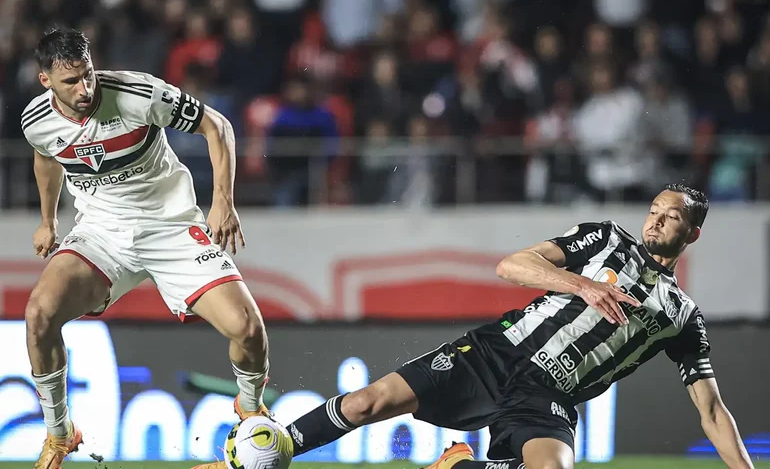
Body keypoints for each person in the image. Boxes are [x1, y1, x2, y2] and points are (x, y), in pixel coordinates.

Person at [195, 184, 754, 469]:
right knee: (368, 403)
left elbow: (710, 409)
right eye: (654, 209)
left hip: (548, 394)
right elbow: (513, 266)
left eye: (671, 215)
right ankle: (277, 447)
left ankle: (465, 463)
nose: (655, 219)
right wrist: (584, 285)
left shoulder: (681, 317)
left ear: (692, 232)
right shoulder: (606, 239)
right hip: (496, 352)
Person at [22, 27, 272, 468]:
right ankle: (60, 433)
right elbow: (46, 157)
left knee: (248, 329)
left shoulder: (139, 94)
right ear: (45, 81)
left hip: (170, 226)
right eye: (70, 82)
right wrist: (48, 220)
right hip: (102, 231)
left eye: (88, 75)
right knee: (39, 315)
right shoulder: (36, 120)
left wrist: (223, 202)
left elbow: (218, 126)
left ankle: (250, 410)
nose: (84, 89)